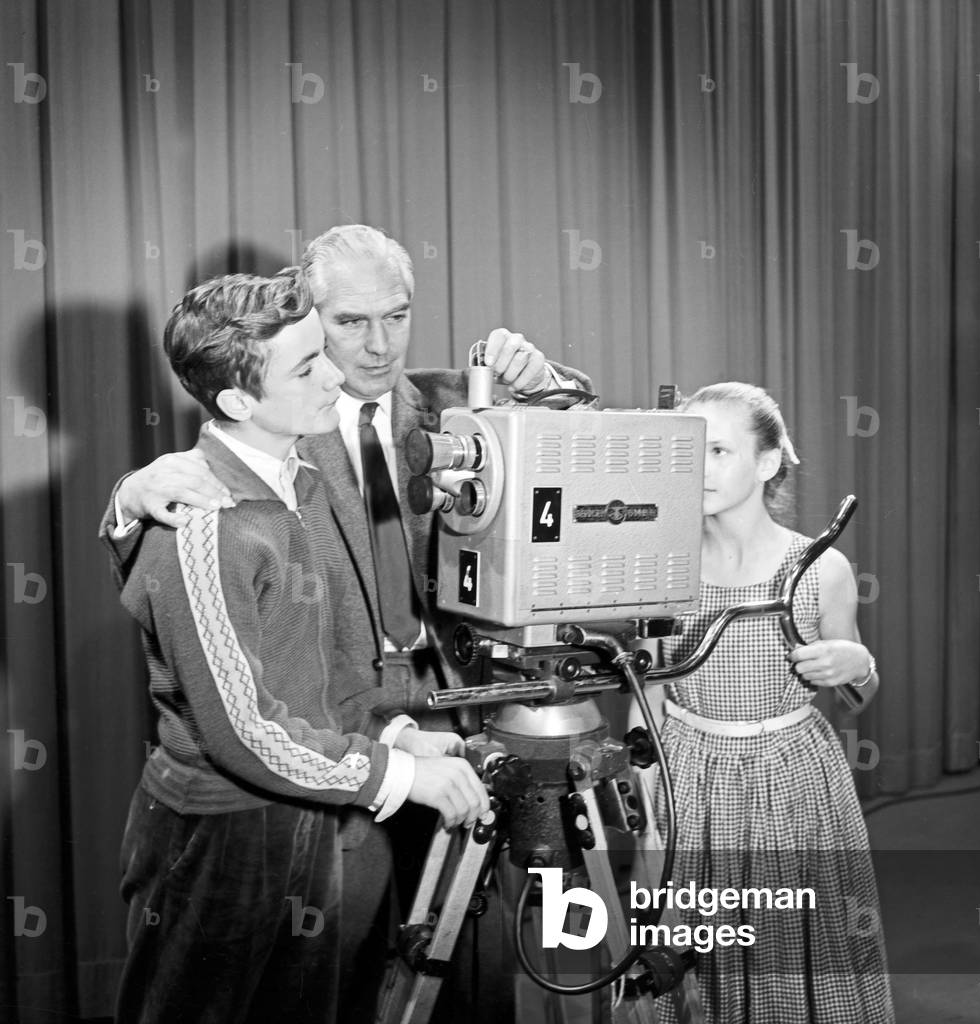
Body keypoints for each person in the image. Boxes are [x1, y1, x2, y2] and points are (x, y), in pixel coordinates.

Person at [100, 225, 594, 1021]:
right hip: (317, 748)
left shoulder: (451, 407)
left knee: (464, 961)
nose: (373, 348)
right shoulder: (259, 455)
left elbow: (581, 440)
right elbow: (209, 593)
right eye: (347, 327)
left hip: (439, 712)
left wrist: (545, 385)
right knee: (339, 966)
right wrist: (130, 499)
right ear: (310, 324)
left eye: (395, 317)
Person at [634, 382, 893, 1023]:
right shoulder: (661, 567)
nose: (700, 467)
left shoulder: (820, 569)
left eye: (719, 450)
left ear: (769, 462)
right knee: (690, 949)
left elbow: (858, 696)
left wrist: (857, 665)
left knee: (796, 945)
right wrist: (646, 810)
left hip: (794, 782)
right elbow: (650, 696)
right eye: (691, 449)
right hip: (688, 778)